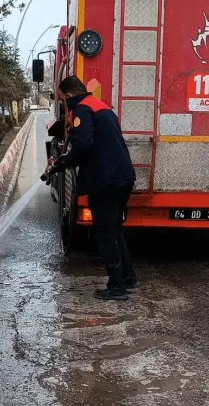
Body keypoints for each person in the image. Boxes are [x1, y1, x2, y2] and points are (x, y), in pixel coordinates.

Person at [49, 76, 139, 301]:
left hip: (106, 180)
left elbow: (83, 145)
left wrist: (64, 162)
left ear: (69, 96)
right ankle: (129, 277)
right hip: (123, 177)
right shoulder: (102, 106)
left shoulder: (82, 110)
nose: (64, 105)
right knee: (114, 230)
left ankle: (117, 286)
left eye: (63, 100)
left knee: (105, 234)